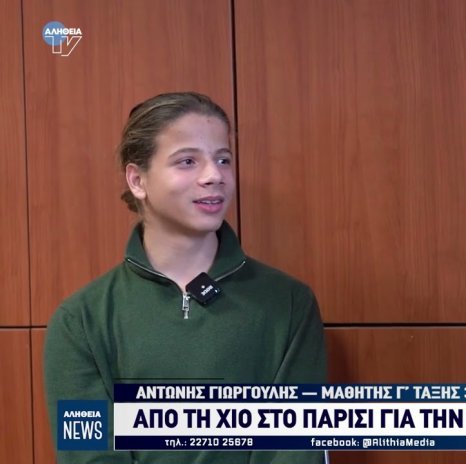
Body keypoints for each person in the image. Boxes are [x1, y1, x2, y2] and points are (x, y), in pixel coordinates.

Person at [44, 92, 327, 463]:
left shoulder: (289, 303)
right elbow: (86, 454)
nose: (214, 176)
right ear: (137, 179)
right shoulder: (80, 321)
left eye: (223, 159)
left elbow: (296, 452)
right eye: (188, 161)